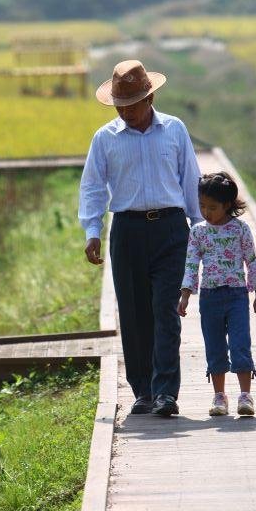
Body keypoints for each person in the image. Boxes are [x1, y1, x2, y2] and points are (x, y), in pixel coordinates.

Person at [79, 59, 203, 417]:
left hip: (170, 230)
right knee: (134, 315)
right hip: (127, 231)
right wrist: (92, 231)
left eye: (132, 105)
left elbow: (190, 179)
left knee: (166, 311)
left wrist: (200, 232)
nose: (126, 112)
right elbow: (92, 188)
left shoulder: (175, 130)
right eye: (120, 106)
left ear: (150, 98)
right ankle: (143, 391)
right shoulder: (105, 138)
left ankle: (165, 391)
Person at [178, 171, 256, 416]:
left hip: (237, 296)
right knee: (214, 347)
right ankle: (219, 396)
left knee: (240, 345)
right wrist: (185, 295)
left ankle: (245, 396)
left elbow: (252, 260)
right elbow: (192, 264)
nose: (207, 212)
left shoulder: (240, 230)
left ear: (227, 205)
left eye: (213, 207)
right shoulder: (198, 232)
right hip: (209, 297)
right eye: (202, 206)